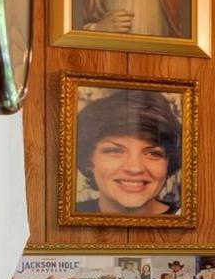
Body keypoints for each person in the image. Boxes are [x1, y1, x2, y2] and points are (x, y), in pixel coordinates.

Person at [74, 88, 182, 217]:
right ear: (88, 159)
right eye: (115, 151)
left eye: (153, 153)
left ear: (168, 163)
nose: (135, 168)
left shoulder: (187, 220)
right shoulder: (69, 215)